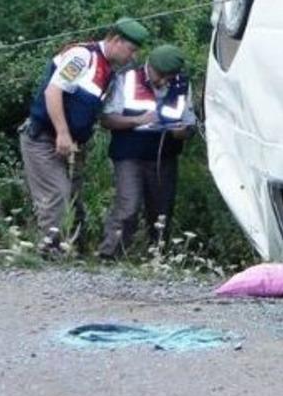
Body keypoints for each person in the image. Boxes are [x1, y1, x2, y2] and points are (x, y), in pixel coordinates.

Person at [20, 17, 148, 256]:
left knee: (74, 199)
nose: (132, 57)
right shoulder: (82, 57)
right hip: (44, 138)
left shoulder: (109, 71)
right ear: (115, 40)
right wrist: (62, 133)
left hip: (74, 144)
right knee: (57, 194)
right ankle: (50, 253)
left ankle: (71, 251)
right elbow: (53, 91)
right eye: (130, 49)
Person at [97, 44, 196, 259]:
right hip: (129, 155)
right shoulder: (127, 79)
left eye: (169, 76)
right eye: (160, 75)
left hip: (165, 157)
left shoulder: (182, 85)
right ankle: (109, 255)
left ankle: (157, 258)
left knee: (161, 211)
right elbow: (106, 119)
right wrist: (137, 120)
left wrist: (182, 132)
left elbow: (190, 125)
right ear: (149, 65)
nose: (163, 81)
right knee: (128, 206)